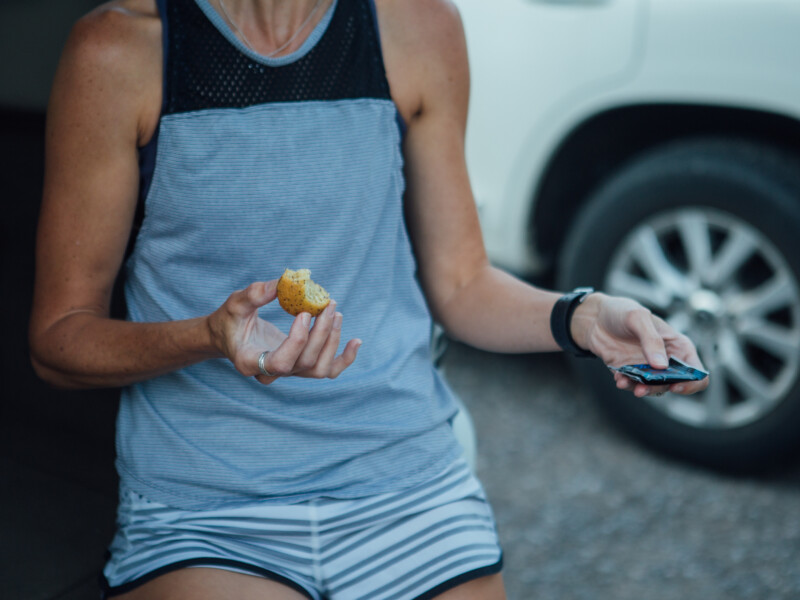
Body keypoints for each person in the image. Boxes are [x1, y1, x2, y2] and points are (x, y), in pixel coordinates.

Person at [29, 0, 708, 598]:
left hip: (408, 481)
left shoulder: (421, 27)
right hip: (210, 507)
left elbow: (464, 284)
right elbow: (61, 340)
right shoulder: (120, 50)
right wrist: (208, 336)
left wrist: (583, 317)